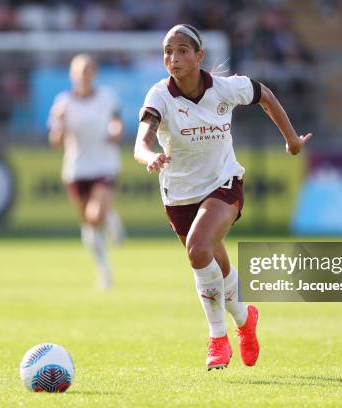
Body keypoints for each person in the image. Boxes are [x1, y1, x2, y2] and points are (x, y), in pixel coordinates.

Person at [134, 24, 312, 370]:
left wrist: (291, 139)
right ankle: (246, 321)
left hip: (223, 183)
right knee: (215, 264)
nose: (174, 58)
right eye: (168, 52)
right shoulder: (159, 95)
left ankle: (218, 339)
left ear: (200, 56)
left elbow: (265, 96)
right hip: (179, 195)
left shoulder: (226, 88)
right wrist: (149, 156)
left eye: (183, 50)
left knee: (198, 250)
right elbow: (141, 141)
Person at [48, 54, 125, 290]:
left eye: (88, 70)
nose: (84, 76)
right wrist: (60, 124)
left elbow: (116, 122)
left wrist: (114, 132)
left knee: (94, 215)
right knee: (88, 224)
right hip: (77, 167)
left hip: (103, 163)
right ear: (72, 75)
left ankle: (109, 217)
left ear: (94, 74)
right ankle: (104, 271)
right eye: (80, 71)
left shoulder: (106, 96)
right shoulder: (63, 102)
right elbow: (55, 141)